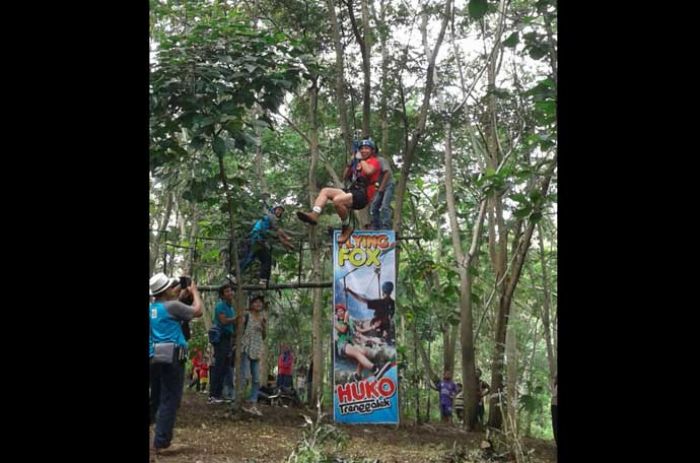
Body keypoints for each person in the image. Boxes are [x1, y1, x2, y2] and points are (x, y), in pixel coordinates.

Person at [149, 272, 203, 454]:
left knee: (157, 397)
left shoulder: (153, 308)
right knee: (170, 399)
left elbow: (173, 307)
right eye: (172, 287)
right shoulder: (172, 306)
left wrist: (180, 291)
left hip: (156, 355)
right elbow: (198, 311)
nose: (175, 289)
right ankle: (160, 443)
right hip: (173, 355)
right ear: (165, 292)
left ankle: (156, 437)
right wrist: (195, 292)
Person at [297, 138, 382, 243]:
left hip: (363, 196)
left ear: (372, 151)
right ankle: (314, 214)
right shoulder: (358, 163)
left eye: (367, 148)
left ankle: (347, 227)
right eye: (362, 148)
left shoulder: (374, 161)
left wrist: (360, 160)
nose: (364, 150)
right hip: (353, 191)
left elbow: (369, 172)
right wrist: (350, 164)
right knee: (325, 191)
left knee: (338, 200)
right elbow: (345, 177)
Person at [238, 205, 294, 287]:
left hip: (256, 239)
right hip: (257, 239)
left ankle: (233, 275)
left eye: (281, 211)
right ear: (274, 210)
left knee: (249, 258)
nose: (279, 212)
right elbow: (278, 230)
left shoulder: (269, 219)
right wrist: (287, 237)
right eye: (278, 210)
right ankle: (263, 280)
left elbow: (278, 236)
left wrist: (288, 245)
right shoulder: (271, 217)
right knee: (266, 259)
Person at [208, 283, 238, 404]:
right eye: (227, 291)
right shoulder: (220, 306)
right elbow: (223, 321)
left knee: (225, 366)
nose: (230, 293)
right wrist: (236, 319)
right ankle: (213, 395)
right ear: (222, 295)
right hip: (221, 338)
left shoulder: (231, 307)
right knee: (219, 366)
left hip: (228, 339)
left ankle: (219, 394)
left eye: (231, 291)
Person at [240, 295, 267, 416]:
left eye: (260, 303)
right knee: (245, 376)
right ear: (251, 304)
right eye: (256, 302)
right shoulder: (246, 315)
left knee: (256, 379)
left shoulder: (262, 318)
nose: (258, 304)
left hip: (256, 350)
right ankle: (239, 400)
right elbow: (240, 330)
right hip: (246, 348)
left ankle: (253, 403)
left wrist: (264, 326)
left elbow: (264, 336)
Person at [369, 152, 394, 230]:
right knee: (374, 207)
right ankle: (377, 226)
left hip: (388, 185)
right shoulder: (368, 163)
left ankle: (386, 226)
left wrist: (381, 188)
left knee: (384, 206)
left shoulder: (380, 160)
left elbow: (387, 173)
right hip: (378, 187)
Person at [551, 374, 558, 446]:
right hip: (554, 405)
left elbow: (554, 394)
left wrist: (552, 384)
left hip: (555, 405)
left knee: (555, 424)